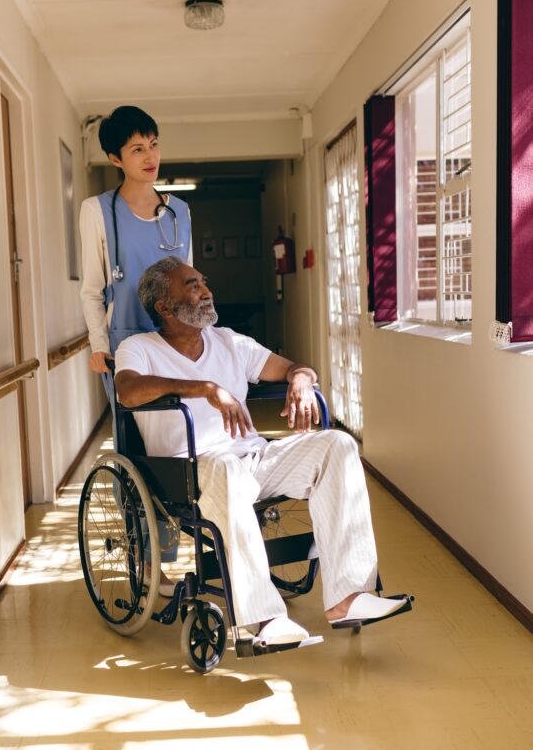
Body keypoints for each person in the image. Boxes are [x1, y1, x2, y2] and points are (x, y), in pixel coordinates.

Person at [113, 257, 410, 647]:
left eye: (204, 282)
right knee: (227, 470)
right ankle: (263, 620)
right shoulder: (139, 348)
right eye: (192, 285)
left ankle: (350, 599)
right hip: (190, 469)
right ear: (164, 307)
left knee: (337, 444)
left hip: (252, 459)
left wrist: (302, 380)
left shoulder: (229, 341)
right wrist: (203, 387)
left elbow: (293, 366)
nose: (206, 291)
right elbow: (128, 391)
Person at [80, 106, 192, 590]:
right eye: (136, 149)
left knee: (180, 447)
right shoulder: (98, 211)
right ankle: (150, 564)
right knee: (137, 453)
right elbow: (90, 288)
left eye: (154, 144)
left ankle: (180, 548)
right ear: (115, 157)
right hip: (127, 349)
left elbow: (189, 285)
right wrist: (97, 345)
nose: (150, 156)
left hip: (175, 345)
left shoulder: (181, 211)